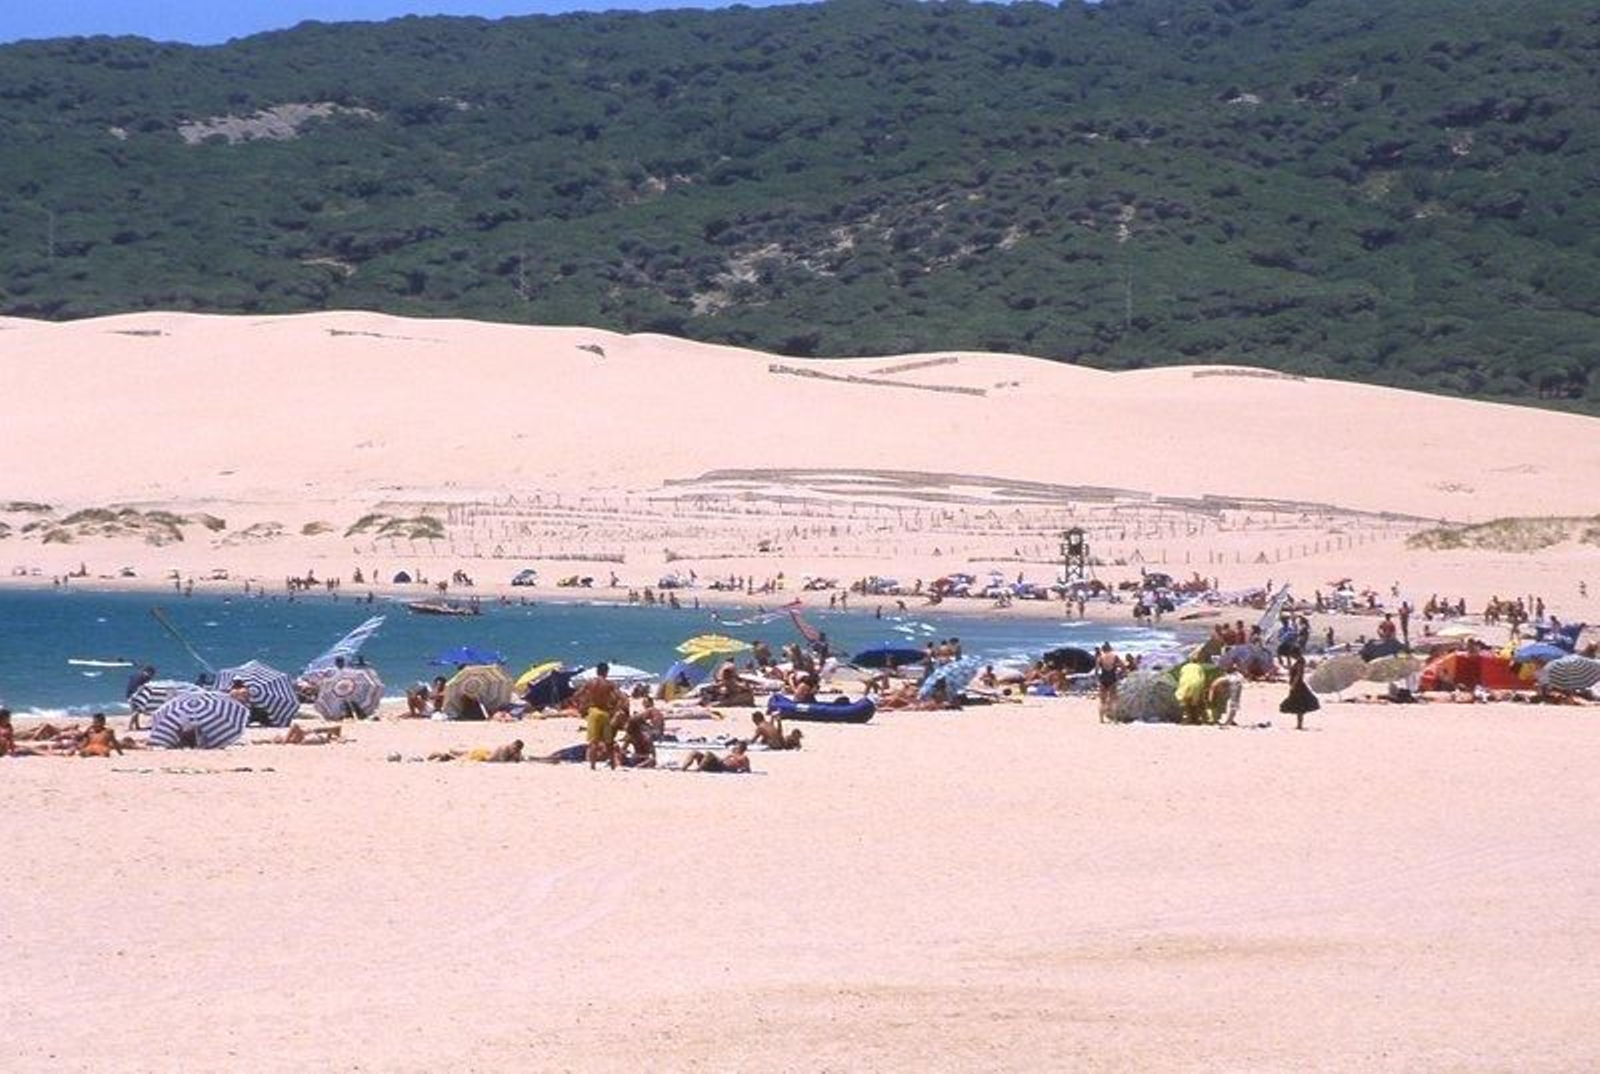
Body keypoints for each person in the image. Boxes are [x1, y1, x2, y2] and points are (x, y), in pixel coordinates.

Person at [571, 662, 628, 769]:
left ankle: (593, 766)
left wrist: (580, 707)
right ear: (606, 672)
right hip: (605, 712)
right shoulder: (610, 684)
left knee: (593, 741)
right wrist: (615, 709)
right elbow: (622, 698)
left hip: (593, 712)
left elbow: (576, 696)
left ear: (597, 671)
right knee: (609, 742)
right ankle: (612, 765)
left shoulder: (590, 683)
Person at [1278, 645, 1320, 730]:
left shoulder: (1301, 661)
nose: (1292, 656)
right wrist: (1287, 659)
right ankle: (1299, 725)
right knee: (1298, 705)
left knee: (1299, 705)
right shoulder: (1298, 661)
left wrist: (1293, 684)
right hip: (1297, 685)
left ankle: (1299, 725)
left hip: (1298, 685)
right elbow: (1290, 669)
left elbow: (1298, 674)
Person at [680, 739, 751, 773]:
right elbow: (723, 760)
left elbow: (747, 769)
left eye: (737, 746)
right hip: (718, 764)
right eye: (736, 746)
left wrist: (740, 770)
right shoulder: (732, 753)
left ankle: (698, 769)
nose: (735, 747)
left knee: (709, 754)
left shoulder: (743, 757)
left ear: (742, 748)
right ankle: (683, 768)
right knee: (695, 752)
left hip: (721, 767)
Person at [1095, 643, 1120, 722]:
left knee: (1102, 699)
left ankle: (1101, 719)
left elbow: (1096, 671)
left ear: (1103, 649)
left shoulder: (1100, 658)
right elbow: (1123, 667)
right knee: (1114, 699)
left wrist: (1098, 679)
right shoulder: (1115, 657)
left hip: (1103, 678)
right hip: (1112, 678)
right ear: (1110, 648)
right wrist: (1119, 673)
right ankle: (1115, 718)